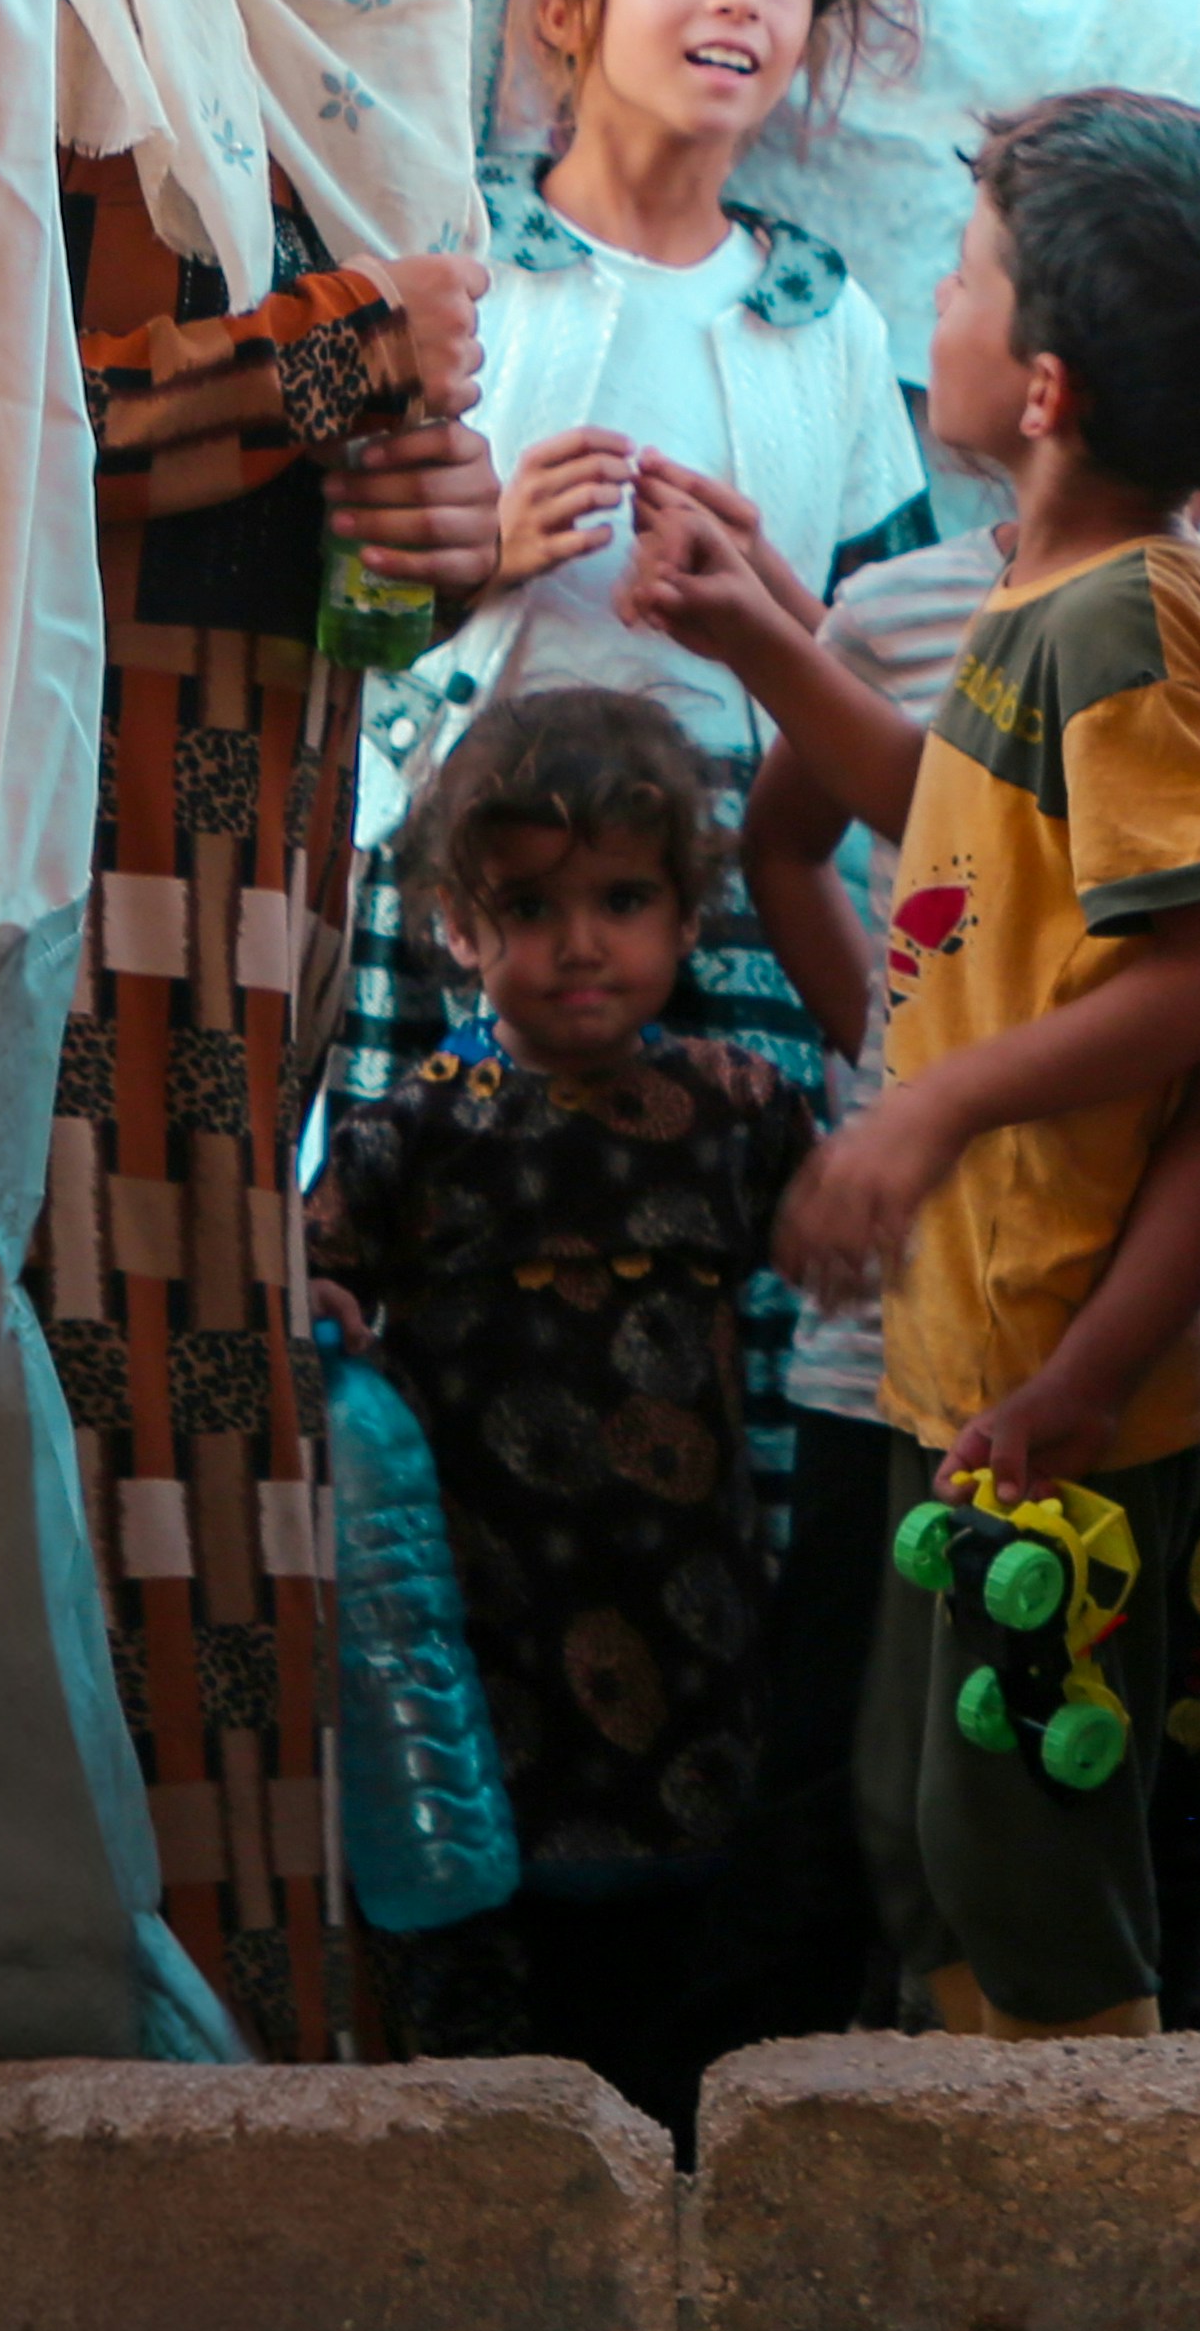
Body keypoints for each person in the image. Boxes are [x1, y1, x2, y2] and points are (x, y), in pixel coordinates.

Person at [631, 86, 1200, 2037]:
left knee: (1027, 1848)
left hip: (1064, 1364)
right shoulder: (1052, 599)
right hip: (978, 1345)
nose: (931, 305)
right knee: (917, 1822)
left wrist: (931, 1106)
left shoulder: (1133, 626)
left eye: (960, 278)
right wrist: (768, 644)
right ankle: (990, 2140)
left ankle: (1089, 2169)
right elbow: (955, 827)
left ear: (1044, 388)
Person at [35, 0, 510, 2062]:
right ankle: (109, 2069)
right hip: (68, 873)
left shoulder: (378, 13)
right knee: (111, 1464)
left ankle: (251, 2082)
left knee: (231, 1468)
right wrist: (340, 359)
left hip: (268, 895)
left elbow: (333, 552)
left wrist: (427, 546)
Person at [323, 0, 934, 1122]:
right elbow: (331, 618)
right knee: (435, 1204)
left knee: (707, 1216)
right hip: (463, 860)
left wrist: (768, 608)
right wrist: (486, 558)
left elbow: (899, 679)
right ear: (566, 7)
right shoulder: (454, 269)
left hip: (727, 884)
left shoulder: (823, 324)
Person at [307, 685, 829, 2129]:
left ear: (687, 916)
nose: (581, 942)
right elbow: (317, 1266)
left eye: (622, 899)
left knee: (693, 1981)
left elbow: (843, 1245)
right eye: (530, 906)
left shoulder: (736, 1107)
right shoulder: (414, 1130)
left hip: (700, 1620)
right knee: (513, 1988)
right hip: (495, 1629)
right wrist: (326, 1295)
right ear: (459, 930)